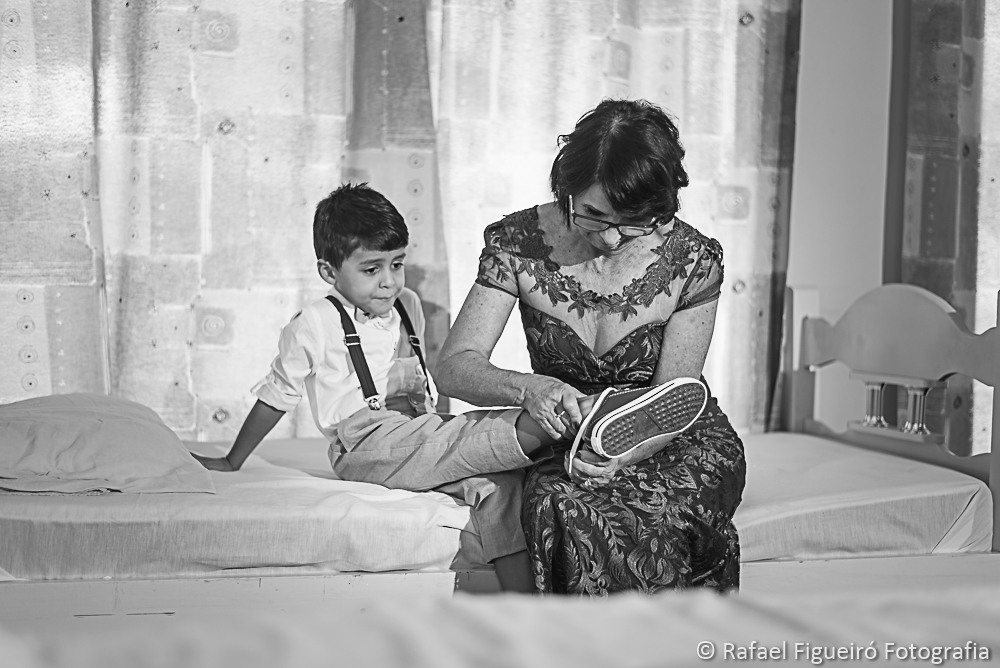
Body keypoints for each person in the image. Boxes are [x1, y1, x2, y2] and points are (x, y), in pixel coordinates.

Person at [194, 183, 583, 592]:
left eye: (397, 264)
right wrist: (232, 461)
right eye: (371, 269)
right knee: (466, 435)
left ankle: (524, 610)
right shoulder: (313, 323)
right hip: (363, 445)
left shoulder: (408, 305)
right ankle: (566, 419)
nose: (388, 282)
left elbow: (421, 385)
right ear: (329, 272)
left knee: (497, 485)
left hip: (419, 436)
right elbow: (277, 394)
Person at [435, 99, 746, 595]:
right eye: (596, 216)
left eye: (635, 221)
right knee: (560, 502)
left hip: (670, 431)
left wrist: (623, 454)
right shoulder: (517, 243)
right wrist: (528, 389)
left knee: (658, 511)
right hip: (568, 437)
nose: (612, 238)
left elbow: (673, 394)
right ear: (567, 186)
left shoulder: (693, 259)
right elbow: (453, 367)